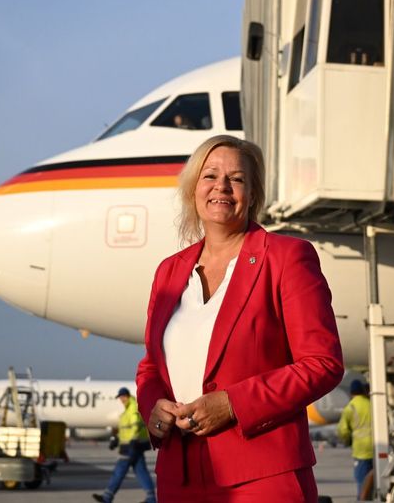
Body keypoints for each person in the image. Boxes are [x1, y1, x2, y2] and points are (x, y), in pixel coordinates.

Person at [136, 134, 343, 501]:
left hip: (262, 478)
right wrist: (153, 408)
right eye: (210, 176)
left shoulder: (287, 257)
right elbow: (152, 367)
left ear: (253, 193)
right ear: (193, 189)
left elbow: (322, 363)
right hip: (179, 478)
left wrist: (234, 404)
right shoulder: (168, 272)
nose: (222, 187)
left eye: (237, 178)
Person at [93, 386, 156, 503]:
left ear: (126, 396)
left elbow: (135, 426)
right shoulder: (128, 409)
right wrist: (117, 439)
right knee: (141, 472)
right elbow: (125, 430)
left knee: (119, 471)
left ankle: (107, 497)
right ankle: (151, 498)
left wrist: (132, 442)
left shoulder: (132, 408)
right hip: (133, 446)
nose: (121, 400)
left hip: (131, 446)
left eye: (122, 397)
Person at [337, 379, 373, 500]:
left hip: (361, 451)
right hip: (377, 449)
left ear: (351, 392)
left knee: (362, 483)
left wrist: (347, 441)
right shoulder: (371, 404)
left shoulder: (350, 408)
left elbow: (343, 431)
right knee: (375, 482)